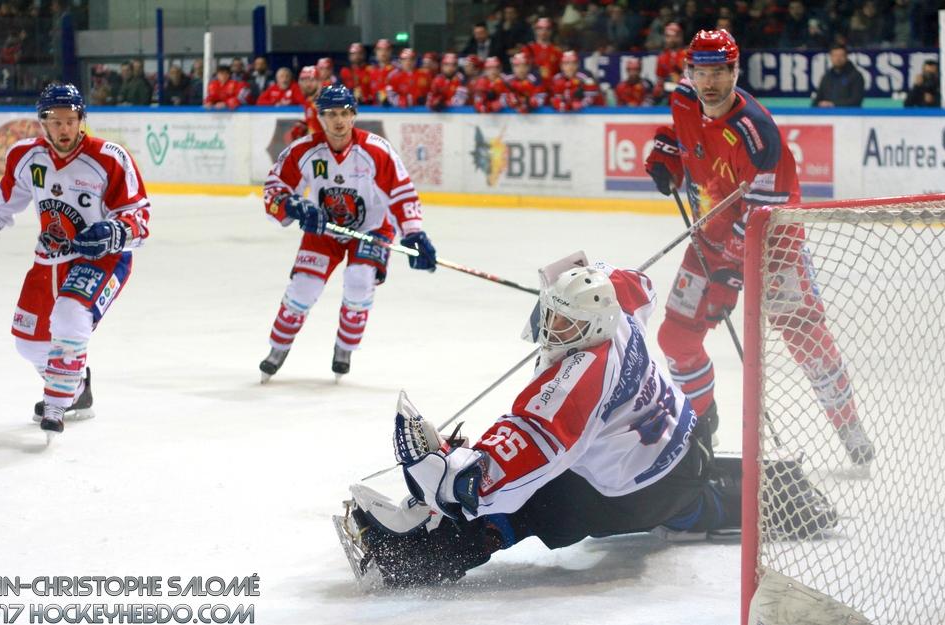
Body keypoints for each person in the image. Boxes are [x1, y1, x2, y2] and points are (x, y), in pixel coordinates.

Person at [334, 254, 836, 587]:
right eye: (552, 314)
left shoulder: (581, 379)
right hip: (684, 442)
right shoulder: (617, 310)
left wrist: (440, 468)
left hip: (644, 489)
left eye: (565, 322)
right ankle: (741, 494)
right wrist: (574, 282)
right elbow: (637, 283)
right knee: (669, 490)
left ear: (591, 325)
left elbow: (488, 481)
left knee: (534, 506)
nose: (552, 328)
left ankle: (412, 559)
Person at [643, 29, 874, 465]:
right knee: (676, 337)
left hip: (775, 246)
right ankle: (703, 427)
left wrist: (728, 280)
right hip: (711, 239)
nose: (709, 83)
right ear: (689, 72)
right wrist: (666, 157)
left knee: (804, 336)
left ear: (735, 71)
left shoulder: (757, 134)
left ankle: (848, 424)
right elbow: (683, 137)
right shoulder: (683, 100)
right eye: (701, 73)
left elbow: (759, 221)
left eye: (719, 72)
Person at [0, 83, 150, 433]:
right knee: (28, 343)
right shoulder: (26, 156)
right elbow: (4, 200)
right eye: (56, 121)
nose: (64, 129)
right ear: (43, 122)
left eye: (71, 121)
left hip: (103, 259)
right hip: (49, 259)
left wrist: (115, 231)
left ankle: (55, 406)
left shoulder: (109, 157)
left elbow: (138, 214)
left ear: (81, 120)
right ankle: (76, 391)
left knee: (69, 315)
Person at [258, 85, 438, 381]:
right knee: (302, 289)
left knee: (359, 281)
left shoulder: (376, 150)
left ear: (354, 115)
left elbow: (401, 193)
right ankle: (278, 349)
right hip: (324, 229)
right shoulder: (304, 150)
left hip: (372, 227)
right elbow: (275, 188)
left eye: (344, 113)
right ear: (320, 117)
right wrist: (292, 206)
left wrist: (414, 233)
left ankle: (344, 349)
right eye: (331, 114)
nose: (339, 121)